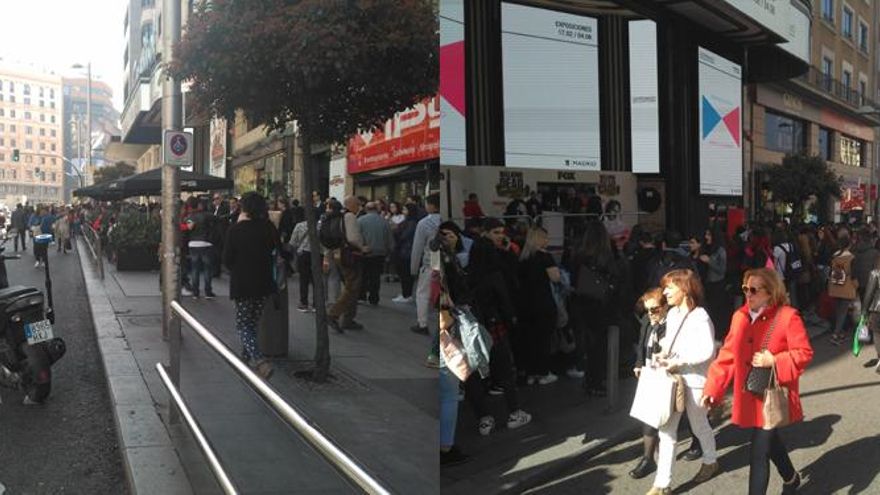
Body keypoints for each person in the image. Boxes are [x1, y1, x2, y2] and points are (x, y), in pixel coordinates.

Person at [702, 268, 813, 495]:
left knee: (759, 450)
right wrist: (712, 389)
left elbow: (804, 353)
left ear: (770, 292)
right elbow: (727, 356)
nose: (748, 294)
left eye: (754, 290)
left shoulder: (787, 316)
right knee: (770, 442)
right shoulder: (739, 317)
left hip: (772, 394)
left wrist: (775, 360)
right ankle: (791, 478)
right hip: (750, 393)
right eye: (745, 288)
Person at [647, 269, 718, 495]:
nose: (665, 292)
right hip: (672, 379)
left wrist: (679, 361)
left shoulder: (700, 316)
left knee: (699, 425)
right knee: (666, 430)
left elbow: (707, 351)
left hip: (695, 380)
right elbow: (670, 341)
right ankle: (662, 483)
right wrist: (663, 354)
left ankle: (710, 461)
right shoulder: (672, 314)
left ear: (685, 289)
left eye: (670, 287)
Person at [222, 192, 279, 380]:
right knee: (252, 322)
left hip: (243, 283)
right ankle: (244, 358)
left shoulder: (236, 230)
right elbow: (276, 249)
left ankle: (259, 360)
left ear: (244, 208)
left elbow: (227, 259)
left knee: (243, 325)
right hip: (264, 282)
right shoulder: (269, 227)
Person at [629, 288, 668, 480]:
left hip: (669, 374)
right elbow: (642, 343)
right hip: (650, 373)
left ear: (665, 306)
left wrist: (659, 326)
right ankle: (648, 458)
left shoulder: (673, 323)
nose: (650, 313)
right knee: (649, 416)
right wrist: (638, 364)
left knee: (688, 416)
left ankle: (700, 441)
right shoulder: (647, 320)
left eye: (655, 309)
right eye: (647, 309)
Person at [517, 226, 560, 385]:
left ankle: (531, 373)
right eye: (545, 237)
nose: (547, 240)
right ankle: (543, 372)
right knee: (544, 340)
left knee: (530, 340)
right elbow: (555, 278)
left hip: (526, 304)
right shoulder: (545, 257)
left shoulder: (523, 258)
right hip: (543, 302)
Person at [327, 196, 369, 332]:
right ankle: (334, 314)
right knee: (352, 287)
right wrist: (362, 248)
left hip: (339, 254)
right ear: (351, 205)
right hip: (350, 256)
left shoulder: (339, 216)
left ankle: (348, 318)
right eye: (358, 204)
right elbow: (352, 238)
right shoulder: (350, 216)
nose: (359, 207)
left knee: (352, 287)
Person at [410, 194, 441, 337]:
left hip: (430, 262)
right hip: (446, 261)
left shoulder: (424, 223)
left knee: (423, 293)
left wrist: (413, 268)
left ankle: (422, 323)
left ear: (432, 206)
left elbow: (417, 247)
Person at [357, 201, 392, 306]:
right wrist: (389, 250)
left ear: (366, 209)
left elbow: (357, 236)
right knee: (375, 276)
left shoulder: (360, 220)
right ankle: (374, 298)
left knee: (363, 275)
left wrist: (360, 247)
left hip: (365, 252)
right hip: (380, 252)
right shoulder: (384, 221)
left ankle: (362, 296)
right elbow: (389, 238)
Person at [183, 197, 217, 299]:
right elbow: (218, 219)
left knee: (195, 269)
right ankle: (208, 292)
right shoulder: (207, 215)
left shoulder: (188, 217)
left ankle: (195, 292)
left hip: (193, 244)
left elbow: (188, 229)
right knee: (207, 269)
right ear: (198, 205)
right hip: (206, 243)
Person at [827, 233, 857, 345]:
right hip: (846, 287)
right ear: (849, 245)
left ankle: (839, 333)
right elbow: (853, 275)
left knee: (838, 310)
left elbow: (831, 271)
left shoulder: (835, 256)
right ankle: (835, 334)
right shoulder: (851, 258)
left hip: (835, 286)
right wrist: (856, 286)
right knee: (843, 312)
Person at [392, 204, 418, 303]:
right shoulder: (408, 222)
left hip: (406, 251)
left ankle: (406, 294)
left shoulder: (412, 223)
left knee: (405, 274)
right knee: (405, 274)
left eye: (405, 209)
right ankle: (406, 293)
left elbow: (404, 236)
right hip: (405, 250)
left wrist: (396, 231)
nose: (403, 212)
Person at [859, 257, 880, 372]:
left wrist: (864, 310)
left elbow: (869, 293)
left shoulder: (875, 273)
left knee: (877, 334)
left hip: (877, 309)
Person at [289, 218, 314, 312]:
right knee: (316, 279)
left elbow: (293, 242)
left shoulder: (300, 225)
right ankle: (316, 303)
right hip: (317, 254)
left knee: (304, 279)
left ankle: (304, 303)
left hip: (303, 253)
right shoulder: (319, 225)